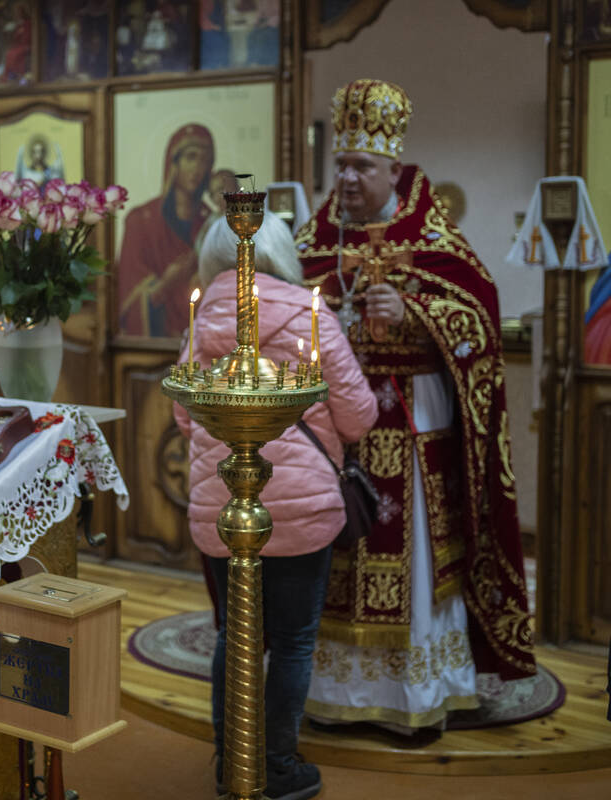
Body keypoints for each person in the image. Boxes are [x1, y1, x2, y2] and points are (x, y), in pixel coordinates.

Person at [295, 78, 535, 733]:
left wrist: (417, 311)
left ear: (393, 169)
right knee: (336, 555)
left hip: (412, 426)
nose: (346, 177)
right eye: (340, 164)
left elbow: (479, 314)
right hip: (335, 433)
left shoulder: (433, 236)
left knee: (415, 559)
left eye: (361, 166)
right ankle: (336, 696)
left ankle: (415, 699)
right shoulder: (317, 237)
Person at [175, 214, 377, 800]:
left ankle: (228, 763)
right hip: (302, 507)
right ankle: (278, 765)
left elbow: (185, 415)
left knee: (231, 636)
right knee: (292, 640)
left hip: (218, 502)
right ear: (283, 254)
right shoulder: (312, 315)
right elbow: (359, 415)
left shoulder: (202, 318)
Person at [117, 123, 239, 337]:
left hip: (205, 341)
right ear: (173, 163)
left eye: (204, 161)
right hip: (154, 350)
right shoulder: (140, 221)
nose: (197, 168)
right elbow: (128, 297)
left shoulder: (213, 223)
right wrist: (166, 283)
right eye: (190, 157)